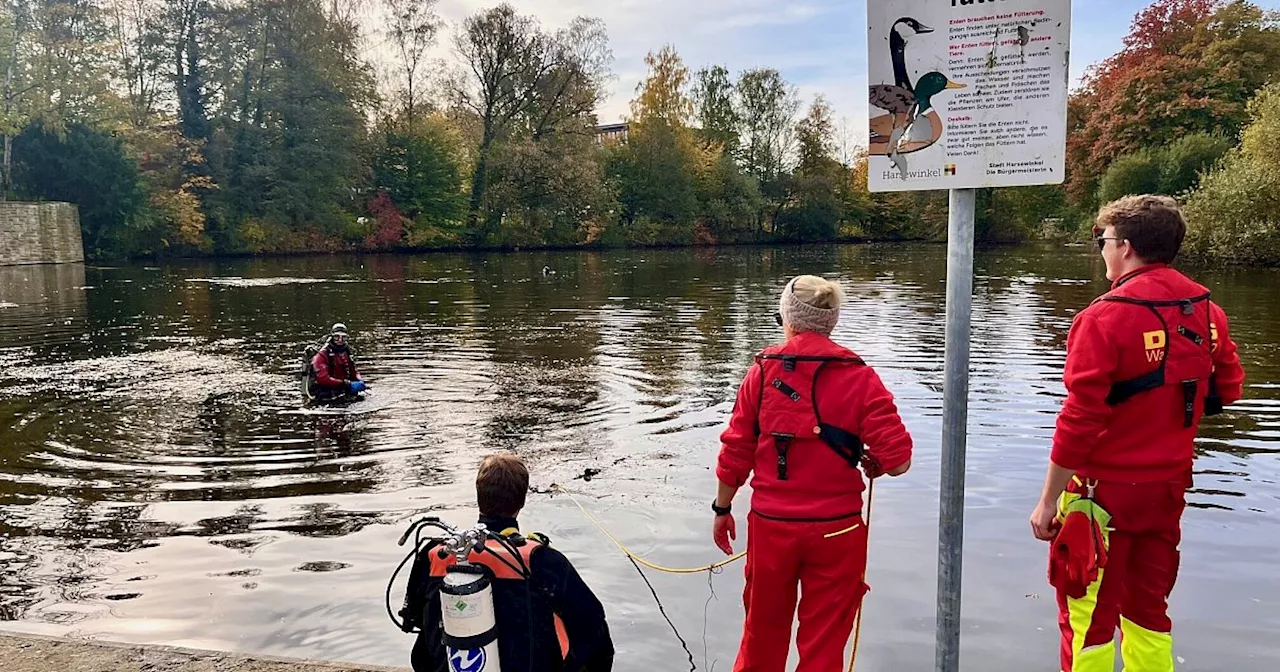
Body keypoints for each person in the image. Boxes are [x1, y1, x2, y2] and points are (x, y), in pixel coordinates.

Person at [1028, 195, 1246, 672]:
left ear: (1125, 247)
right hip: (1166, 488)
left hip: (1098, 494)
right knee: (1148, 611)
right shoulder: (1206, 310)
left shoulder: (1103, 318)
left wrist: (1048, 500)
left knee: (1086, 614)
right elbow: (1227, 388)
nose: (1101, 250)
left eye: (1102, 241)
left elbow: (1080, 419)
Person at [712, 275, 914, 672]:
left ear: (787, 317)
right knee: (824, 645)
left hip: (773, 527)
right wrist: (871, 458)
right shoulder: (860, 376)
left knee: (761, 635)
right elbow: (900, 461)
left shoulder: (763, 372)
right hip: (837, 531)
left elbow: (736, 449)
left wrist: (722, 510)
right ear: (832, 321)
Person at [400, 453, 614, 672]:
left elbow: (416, 629)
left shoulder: (437, 555)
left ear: (479, 498)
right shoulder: (542, 560)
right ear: (521, 502)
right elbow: (594, 631)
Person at [308, 322, 366, 400]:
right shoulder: (322, 355)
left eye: (344, 337)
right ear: (331, 336)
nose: (340, 340)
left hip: (342, 390)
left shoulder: (347, 351)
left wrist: (359, 380)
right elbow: (323, 379)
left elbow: (353, 371)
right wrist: (348, 384)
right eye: (336, 337)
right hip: (325, 394)